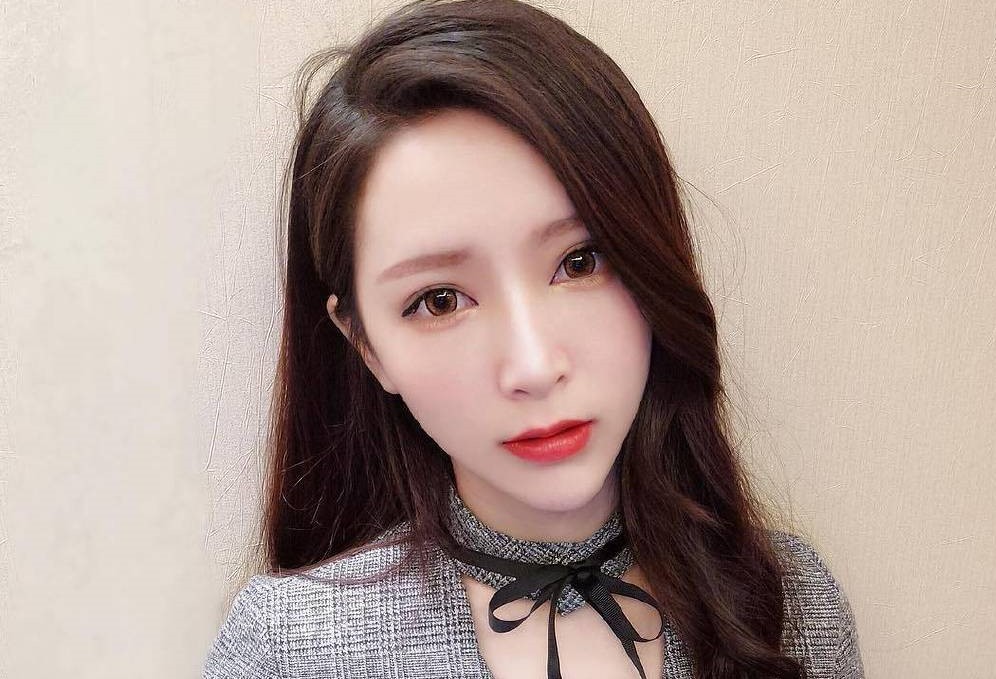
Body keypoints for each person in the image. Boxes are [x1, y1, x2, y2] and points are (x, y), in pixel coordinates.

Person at [203, 1, 865, 677]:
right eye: (439, 300)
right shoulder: (291, 647)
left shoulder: (792, 607)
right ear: (366, 345)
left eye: (580, 262)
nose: (534, 366)